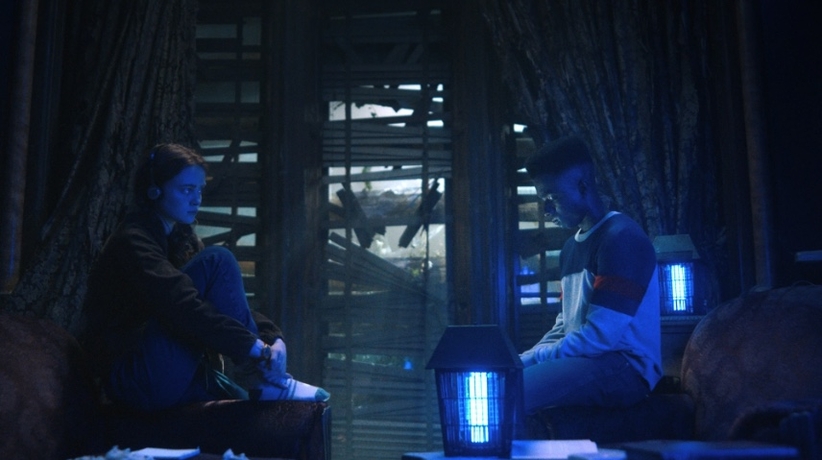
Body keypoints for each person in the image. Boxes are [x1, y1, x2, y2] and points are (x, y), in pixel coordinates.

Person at [81, 143, 329, 411]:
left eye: (199, 190)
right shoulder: (134, 241)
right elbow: (184, 306)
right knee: (218, 260)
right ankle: (260, 377)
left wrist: (272, 338)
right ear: (155, 190)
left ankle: (263, 381)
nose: (196, 199)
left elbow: (227, 305)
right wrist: (258, 350)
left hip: (171, 369)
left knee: (244, 407)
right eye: (187, 189)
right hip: (133, 375)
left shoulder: (181, 241)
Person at [519, 136, 661, 414]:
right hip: (590, 358)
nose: (546, 211)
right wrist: (522, 359)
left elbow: (599, 337)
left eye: (553, 198)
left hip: (626, 366)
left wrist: (533, 359)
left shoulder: (621, 239)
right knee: (504, 383)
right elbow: (565, 326)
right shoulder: (570, 249)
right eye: (543, 201)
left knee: (512, 391)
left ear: (583, 185)